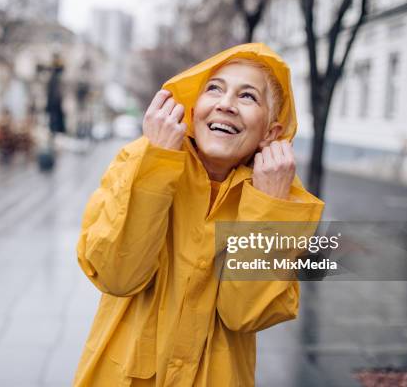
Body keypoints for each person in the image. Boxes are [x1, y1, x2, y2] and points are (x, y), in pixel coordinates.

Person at [74, 43, 325, 386]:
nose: (226, 104)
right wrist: (157, 163)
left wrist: (270, 207)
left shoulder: (280, 199)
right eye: (214, 89)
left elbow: (243, 313)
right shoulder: (141, 159)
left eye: (248, 96)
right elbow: (118, 275)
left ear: (270, 132)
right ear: (192, 107)